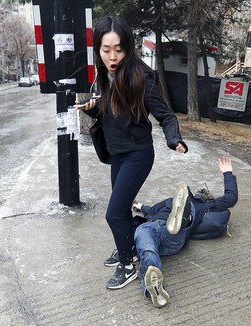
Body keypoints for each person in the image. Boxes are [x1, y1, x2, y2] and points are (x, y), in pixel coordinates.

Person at [77, 16, 188, 290]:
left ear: (128, 47)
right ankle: (127, 246)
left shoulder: (142, 77)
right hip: (118, 154)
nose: (112, 56)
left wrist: (174, 139)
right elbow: (111, 110)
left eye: (119, 49)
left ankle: (127, 264)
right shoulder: (104, 75)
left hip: (138, 155)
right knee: (122, 209)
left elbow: (165, 115)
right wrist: (93, 108)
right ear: (98, 49)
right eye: (106, 50)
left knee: (113, 214)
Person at [104, 156, 237, 307]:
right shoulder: (176, 203)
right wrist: (138, 206)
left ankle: (184, 216)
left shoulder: (208, 205)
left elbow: (231, 198)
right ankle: (153, 289)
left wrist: (228, 173)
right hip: (162, 234)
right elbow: (151, 210)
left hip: (170, 231)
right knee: (147, 249)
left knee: (146, 238)